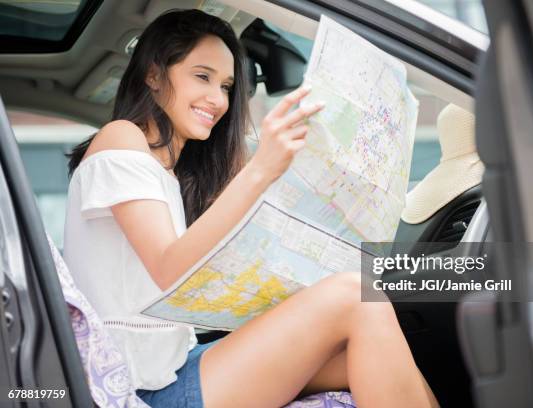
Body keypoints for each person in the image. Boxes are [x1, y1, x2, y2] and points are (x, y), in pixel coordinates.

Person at [63, 9, 437, 408]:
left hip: (175, 366)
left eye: (225, 86)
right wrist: (260, 170)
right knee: (353, 294)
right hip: (142, 390)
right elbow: (169, 268)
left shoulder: (170, 172)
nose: (217, 99)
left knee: (373, 354)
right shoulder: (122, 137)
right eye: (202, 77)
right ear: (154, 75)